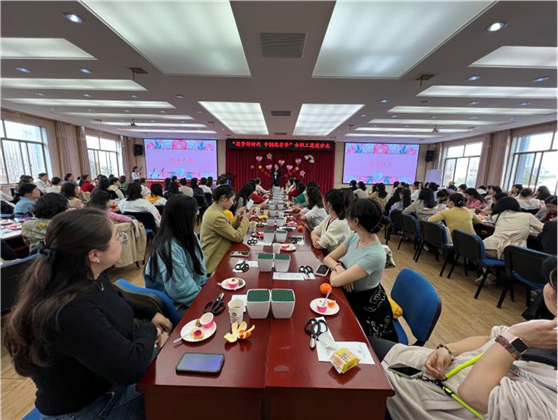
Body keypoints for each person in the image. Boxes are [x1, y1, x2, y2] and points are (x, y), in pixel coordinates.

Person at [4, 208, 172, 419]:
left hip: (105, 381)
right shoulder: (71, 308)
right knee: (181, 394)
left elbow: (115, 302)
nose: (122, 240)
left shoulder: (86, 276)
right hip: (91, 408)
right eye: (117, 237)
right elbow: (131, 368)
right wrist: (148, 329)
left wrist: (150, 313)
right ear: (94, 254)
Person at [374, 256, 558, 420]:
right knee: (360, 345)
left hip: (418, 403)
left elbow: (474, 394)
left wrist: (515, 341)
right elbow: (488, 339)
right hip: (425, 369)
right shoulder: (542, 328)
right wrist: (448, 350)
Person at [324, 199, 396, 340]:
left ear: (356, 221)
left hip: (364, 307)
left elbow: (335, 282)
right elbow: (328, 258)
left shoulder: (375, 254)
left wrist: (338, 268)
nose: (346, 219)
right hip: (347, 297)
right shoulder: (355, 238)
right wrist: (340, 268)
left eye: (348, 216)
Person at [145, 195, 208, 315]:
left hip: (194, 294)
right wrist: (207, 298)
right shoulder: (168, 247)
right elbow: (181, 291)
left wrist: (208, 289)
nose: (197, 214)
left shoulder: (191, 236)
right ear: (184, 217)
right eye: (195, 211)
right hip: (178, 305)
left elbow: (201, 270)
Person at [200, 185, 251, 273]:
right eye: (232, 199)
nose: (232, 203)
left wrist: (237, 222)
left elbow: (226, 229)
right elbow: (236, 237)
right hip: (214, 262)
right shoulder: (216, 216)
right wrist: (245, 220)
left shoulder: (215, 210)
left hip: (221, 253)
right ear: (224, 198)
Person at [311, 189, 351, 254]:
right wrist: (314, 236)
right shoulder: (329, 217)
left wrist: (314, 237)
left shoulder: (340, 223)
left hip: (337, 261)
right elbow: (315, 231)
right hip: (327, 255)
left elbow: (319, 245)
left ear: (328, 204)